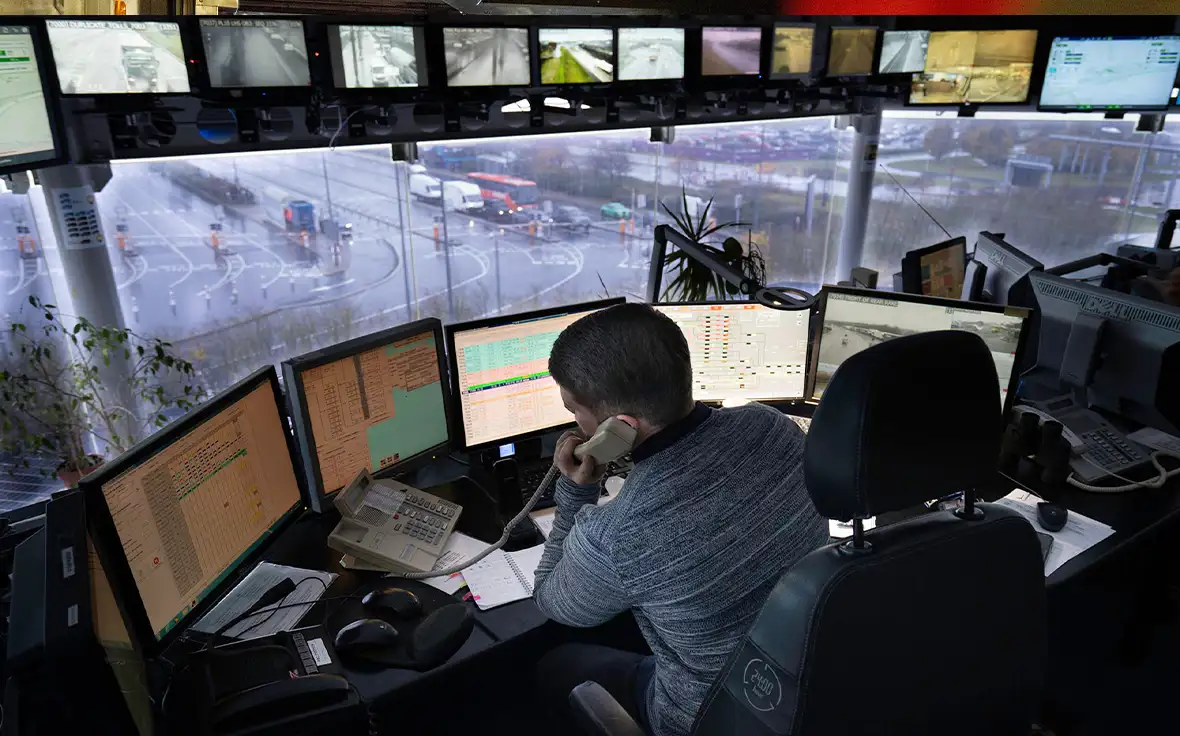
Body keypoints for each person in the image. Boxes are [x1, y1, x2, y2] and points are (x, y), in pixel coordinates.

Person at [533, 303, 828, 736]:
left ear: (618, 426)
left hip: (708, 715)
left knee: (557, 664)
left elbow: (552, 600)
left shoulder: (618, 533)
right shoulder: (773, 427)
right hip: (805, 683)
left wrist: (577, 489)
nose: (575, 422)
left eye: (575, 410)